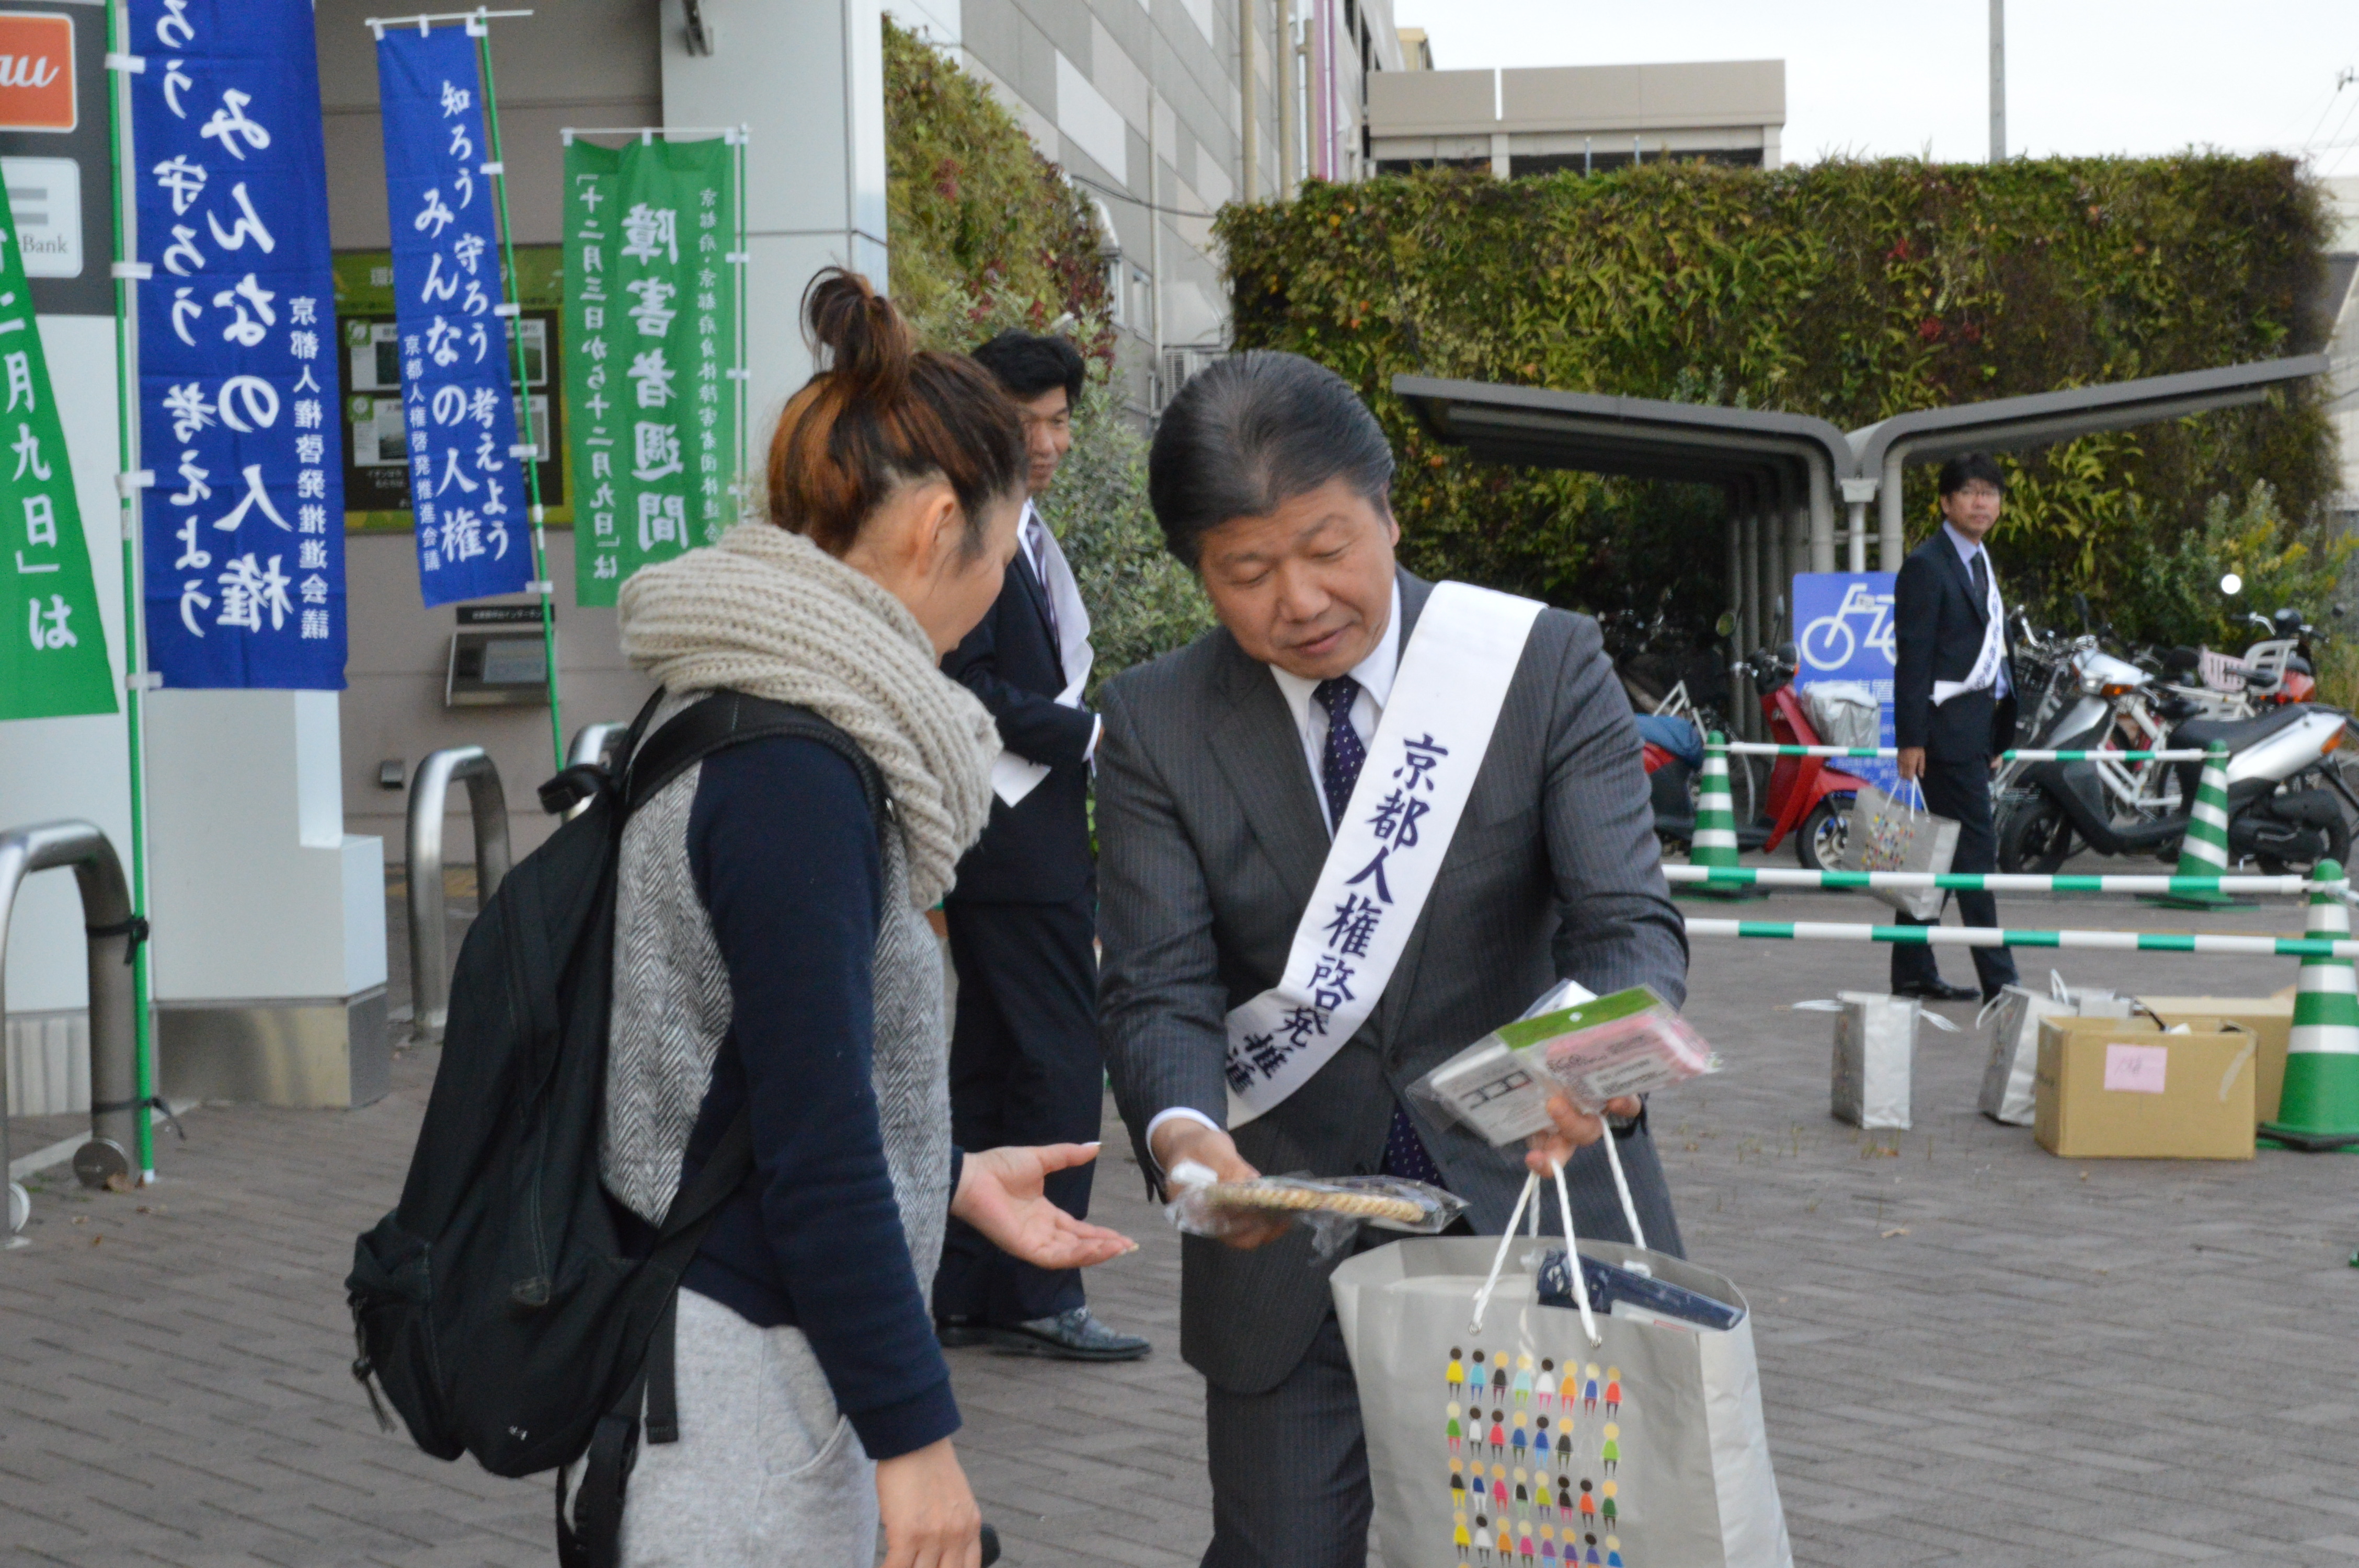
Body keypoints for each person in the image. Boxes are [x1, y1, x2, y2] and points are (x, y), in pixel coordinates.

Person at [1094, 350, 1686, 1567]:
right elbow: (1157, 981)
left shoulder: (1533, 664)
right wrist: (1181, 1138)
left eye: (1325, 546)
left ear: (1386, 507)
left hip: (1526, 1202)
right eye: (1247, 572)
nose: (1299, 599)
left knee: (1531, 1553)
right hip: (1285, 1240)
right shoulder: (1155, 723)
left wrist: (1591, 1066)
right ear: (1199, 570)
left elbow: (1626, 922)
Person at [601, 269, 1134, 1568]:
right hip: (739, 1370)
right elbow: (811, 1139)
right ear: (937, 522)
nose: (988, 592)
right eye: (999, 555)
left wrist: (943, 1175)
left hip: (718, 1329)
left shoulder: (732, 695)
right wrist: (918, 1441)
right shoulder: (797, 765)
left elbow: (742, 1060)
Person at [932, 330, 1149, 1361]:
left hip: (1016, 835)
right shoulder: (974, 527)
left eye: (1065, 419)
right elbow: (966, 686)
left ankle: (969, 1282)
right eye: (1048, 420)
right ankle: (1045, 1284)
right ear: (996, 416)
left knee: (991, 1059)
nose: (1062, 438)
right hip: (1012, 844)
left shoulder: (1017, 528)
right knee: (1063, 1056)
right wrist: (1091, 734)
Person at [1891, 450, 2022, 1004]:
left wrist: (1997, 737)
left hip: (1973, 736)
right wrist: (1911, 740)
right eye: (1969, 492)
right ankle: (2001, 980)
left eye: (1989, 493)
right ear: (1946, 502)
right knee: (1975, 859)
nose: (1981, 503)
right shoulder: (1928, 564)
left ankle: (1914, 970)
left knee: (1937, 859)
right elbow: (1914, 658)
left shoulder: (1981, 560)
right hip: (1942, 741)